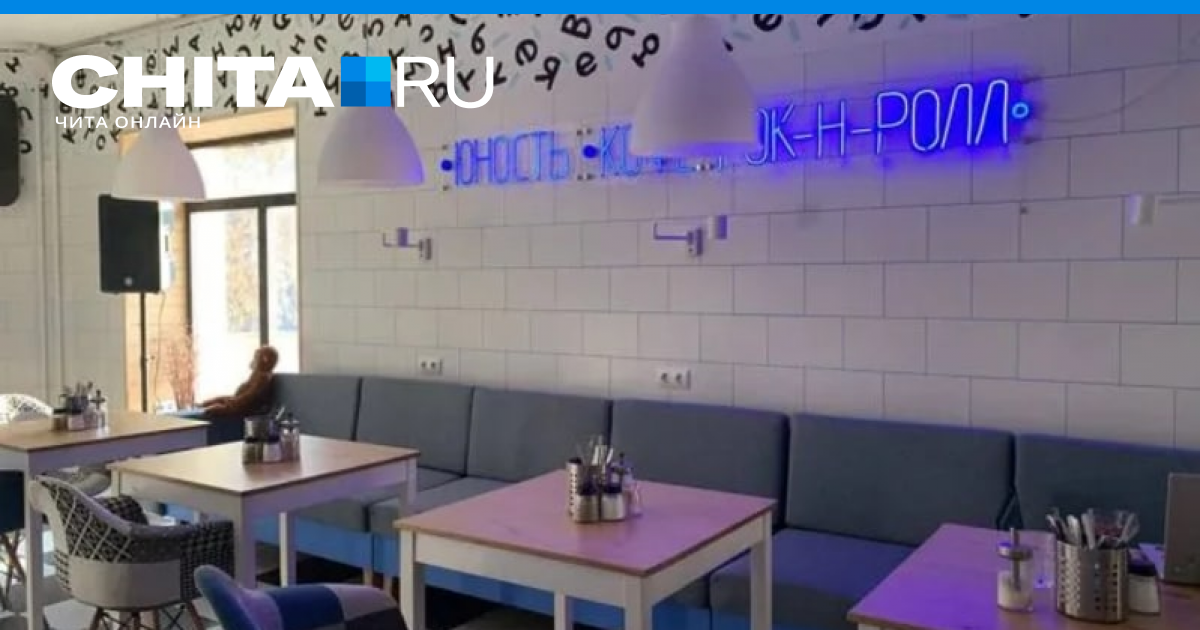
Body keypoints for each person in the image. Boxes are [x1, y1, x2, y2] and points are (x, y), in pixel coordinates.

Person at [200, 346, 279, 417]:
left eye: (256, 357)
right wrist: (230, 400)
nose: (253, 360)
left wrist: (233, 402)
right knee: (213, 401)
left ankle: (202, 414)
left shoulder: (263, 377)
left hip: (243, 407)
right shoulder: (257, 374)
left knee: (213, 409)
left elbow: (250, 396)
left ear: (264, 360)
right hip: (237, 401)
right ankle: (199, 408)